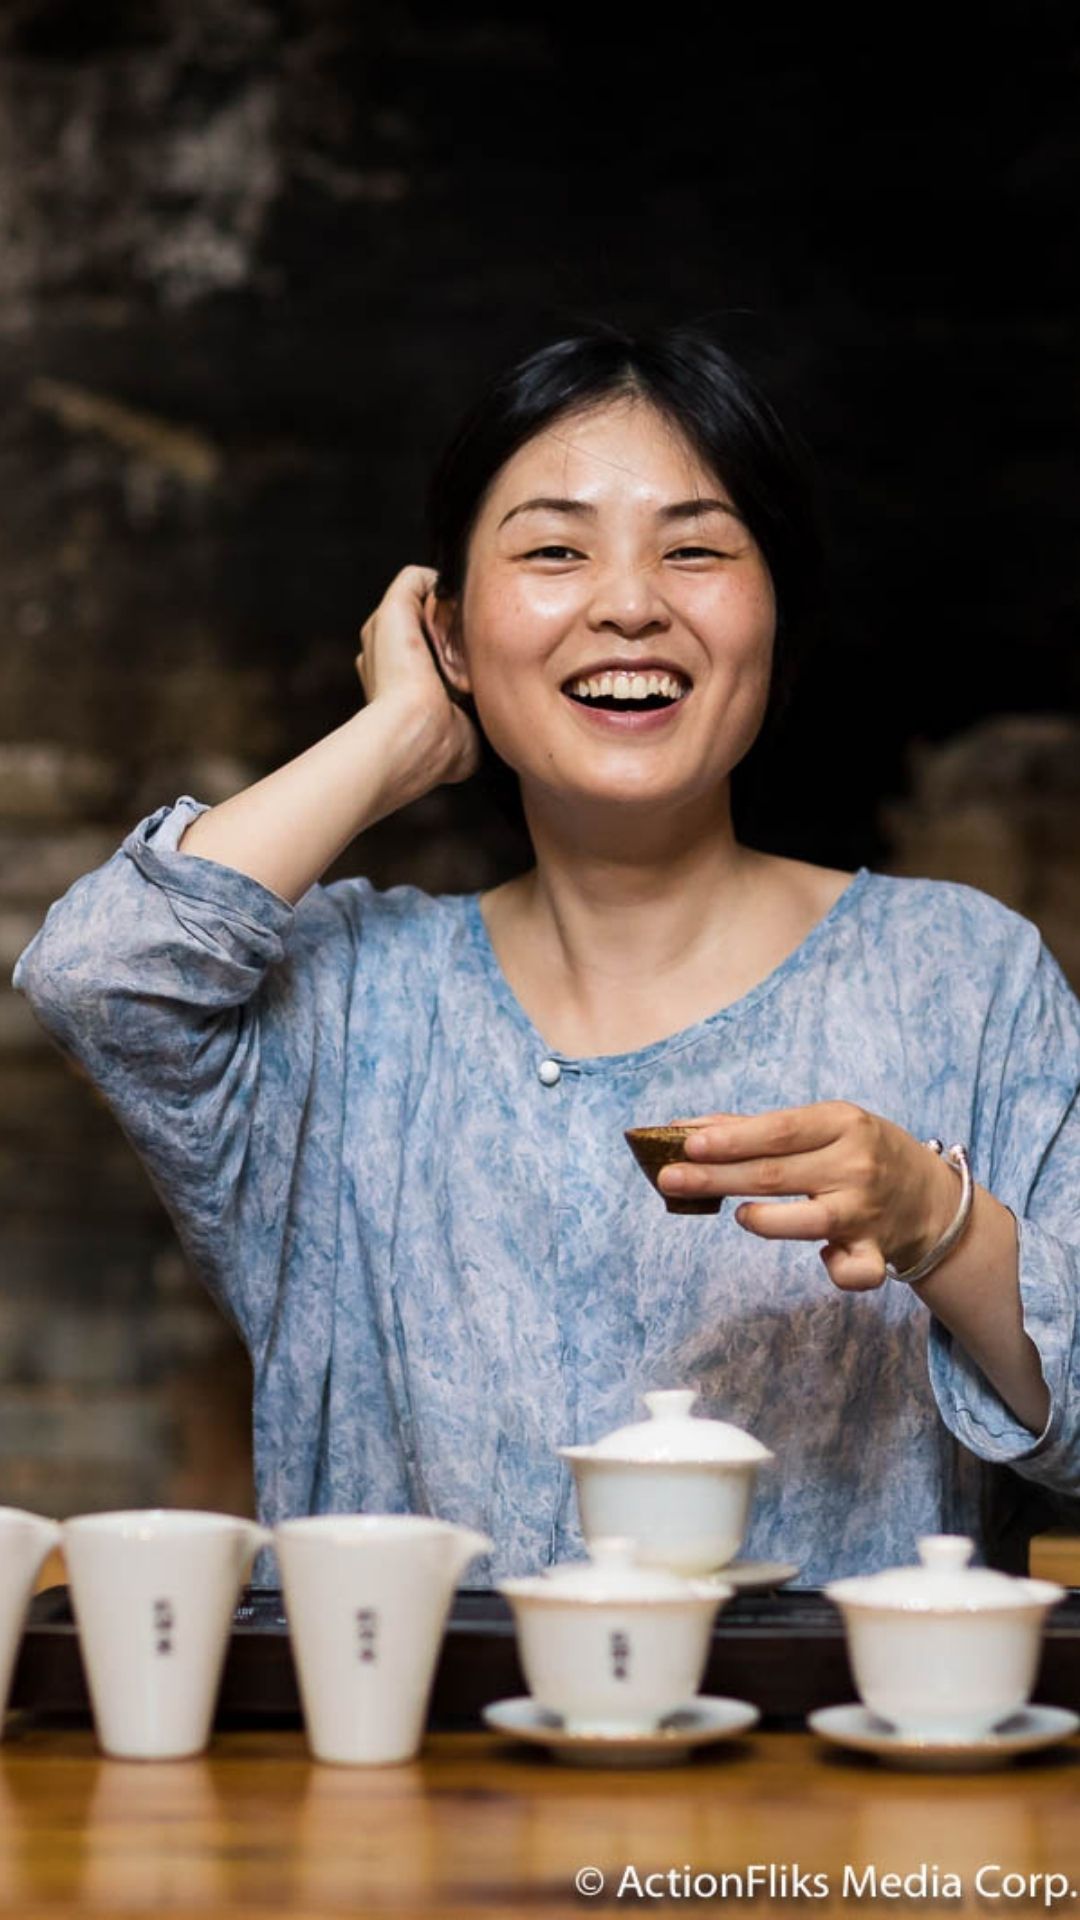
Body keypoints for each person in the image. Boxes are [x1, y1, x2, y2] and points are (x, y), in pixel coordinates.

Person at [12, 321, 1080, 1589]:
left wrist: (935, 1220)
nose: (630, 604)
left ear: (775, 620)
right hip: (406, 1770)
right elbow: (96, 972)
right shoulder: (347, 997)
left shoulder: (959, 974)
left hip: (836, 1772)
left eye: (695, 550)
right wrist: (398, 732)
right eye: (555, 551)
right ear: (451, 633)